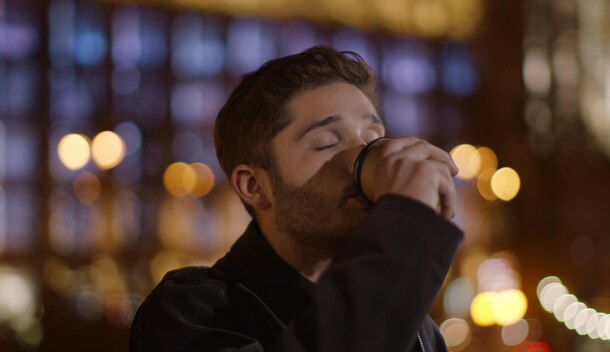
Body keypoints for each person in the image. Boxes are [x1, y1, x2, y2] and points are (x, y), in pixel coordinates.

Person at [130, 46, 463, 352]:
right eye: (326, 143)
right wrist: (403, 227)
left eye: (373, 138)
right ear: (254, 186)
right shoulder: (192, 312)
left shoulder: (417, 329)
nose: (362, 158)